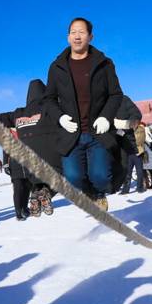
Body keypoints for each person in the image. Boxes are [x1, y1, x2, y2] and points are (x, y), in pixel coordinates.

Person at [43, 17, 123, 212]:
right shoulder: (57, 67)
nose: (77, 36)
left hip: (97, 132)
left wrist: (106, 116)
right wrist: (60, 117)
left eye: (81, 32)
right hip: (71, 134)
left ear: (90, 36)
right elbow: (49, 99)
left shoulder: (104, 64)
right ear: (68, 37)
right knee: (72, 178)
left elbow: (115, 94)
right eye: (73, 32)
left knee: (100, 176)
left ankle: (99, 193)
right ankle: (89, 194)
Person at [0, 79, 61, 219]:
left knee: (30, 182)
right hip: (48, 158)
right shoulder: (50, 108)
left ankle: (35, 197)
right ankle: (40, 196)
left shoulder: (18, 113)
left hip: (27, 162)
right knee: (64, 173)